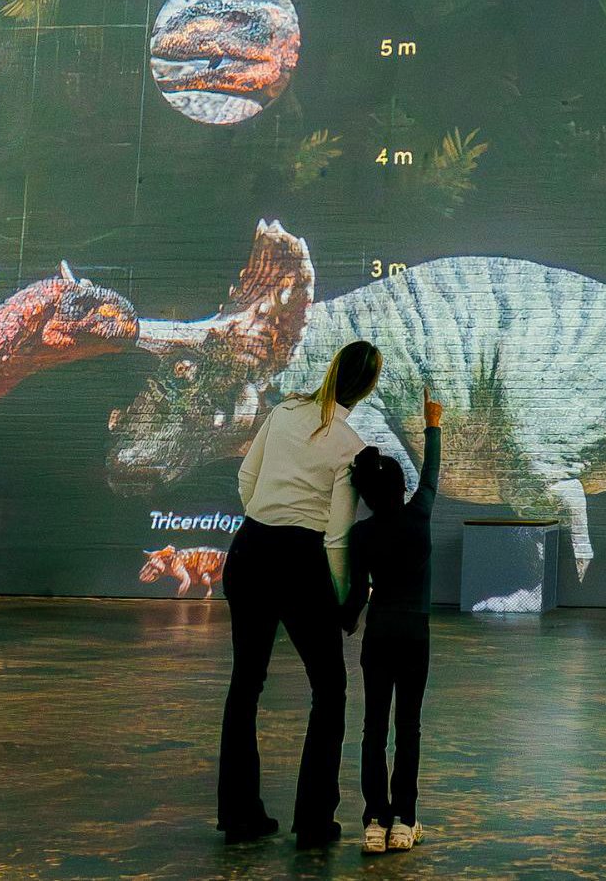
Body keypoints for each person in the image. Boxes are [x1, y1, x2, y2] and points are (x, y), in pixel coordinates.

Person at [218, 340, 382, 849]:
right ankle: (313, 822)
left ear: (332, 369)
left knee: (246, 685)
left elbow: (247, 479)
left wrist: (265, 518)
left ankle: (239, 817)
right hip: (299, 558)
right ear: (369, 387)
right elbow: (336, 536)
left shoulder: (285, 411)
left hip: (249, 550)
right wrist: (339, 602)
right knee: (329, 691)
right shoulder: (349, 447)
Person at [340, 387, 443, 854]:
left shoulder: (361, 533)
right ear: (402, 489)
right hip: (414, 635)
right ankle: (405, 820)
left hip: (378, 634)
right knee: (409, 728)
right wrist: (432, 425)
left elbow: (357, 595)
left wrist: (341, 621)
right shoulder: (419, 517)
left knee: (373, 730)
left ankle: (374, 825)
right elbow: (432, 476)